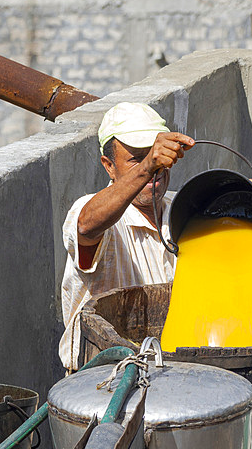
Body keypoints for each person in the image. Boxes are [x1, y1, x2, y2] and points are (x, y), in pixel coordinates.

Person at [59, 102, 194, 370]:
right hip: (103, 380)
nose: (154, 167)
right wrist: (147, 167)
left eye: (156, 156)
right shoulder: (94, 211)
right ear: (109, 166)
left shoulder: (186, 208)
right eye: (137, 159)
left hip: (176, 377)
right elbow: (86, 227)